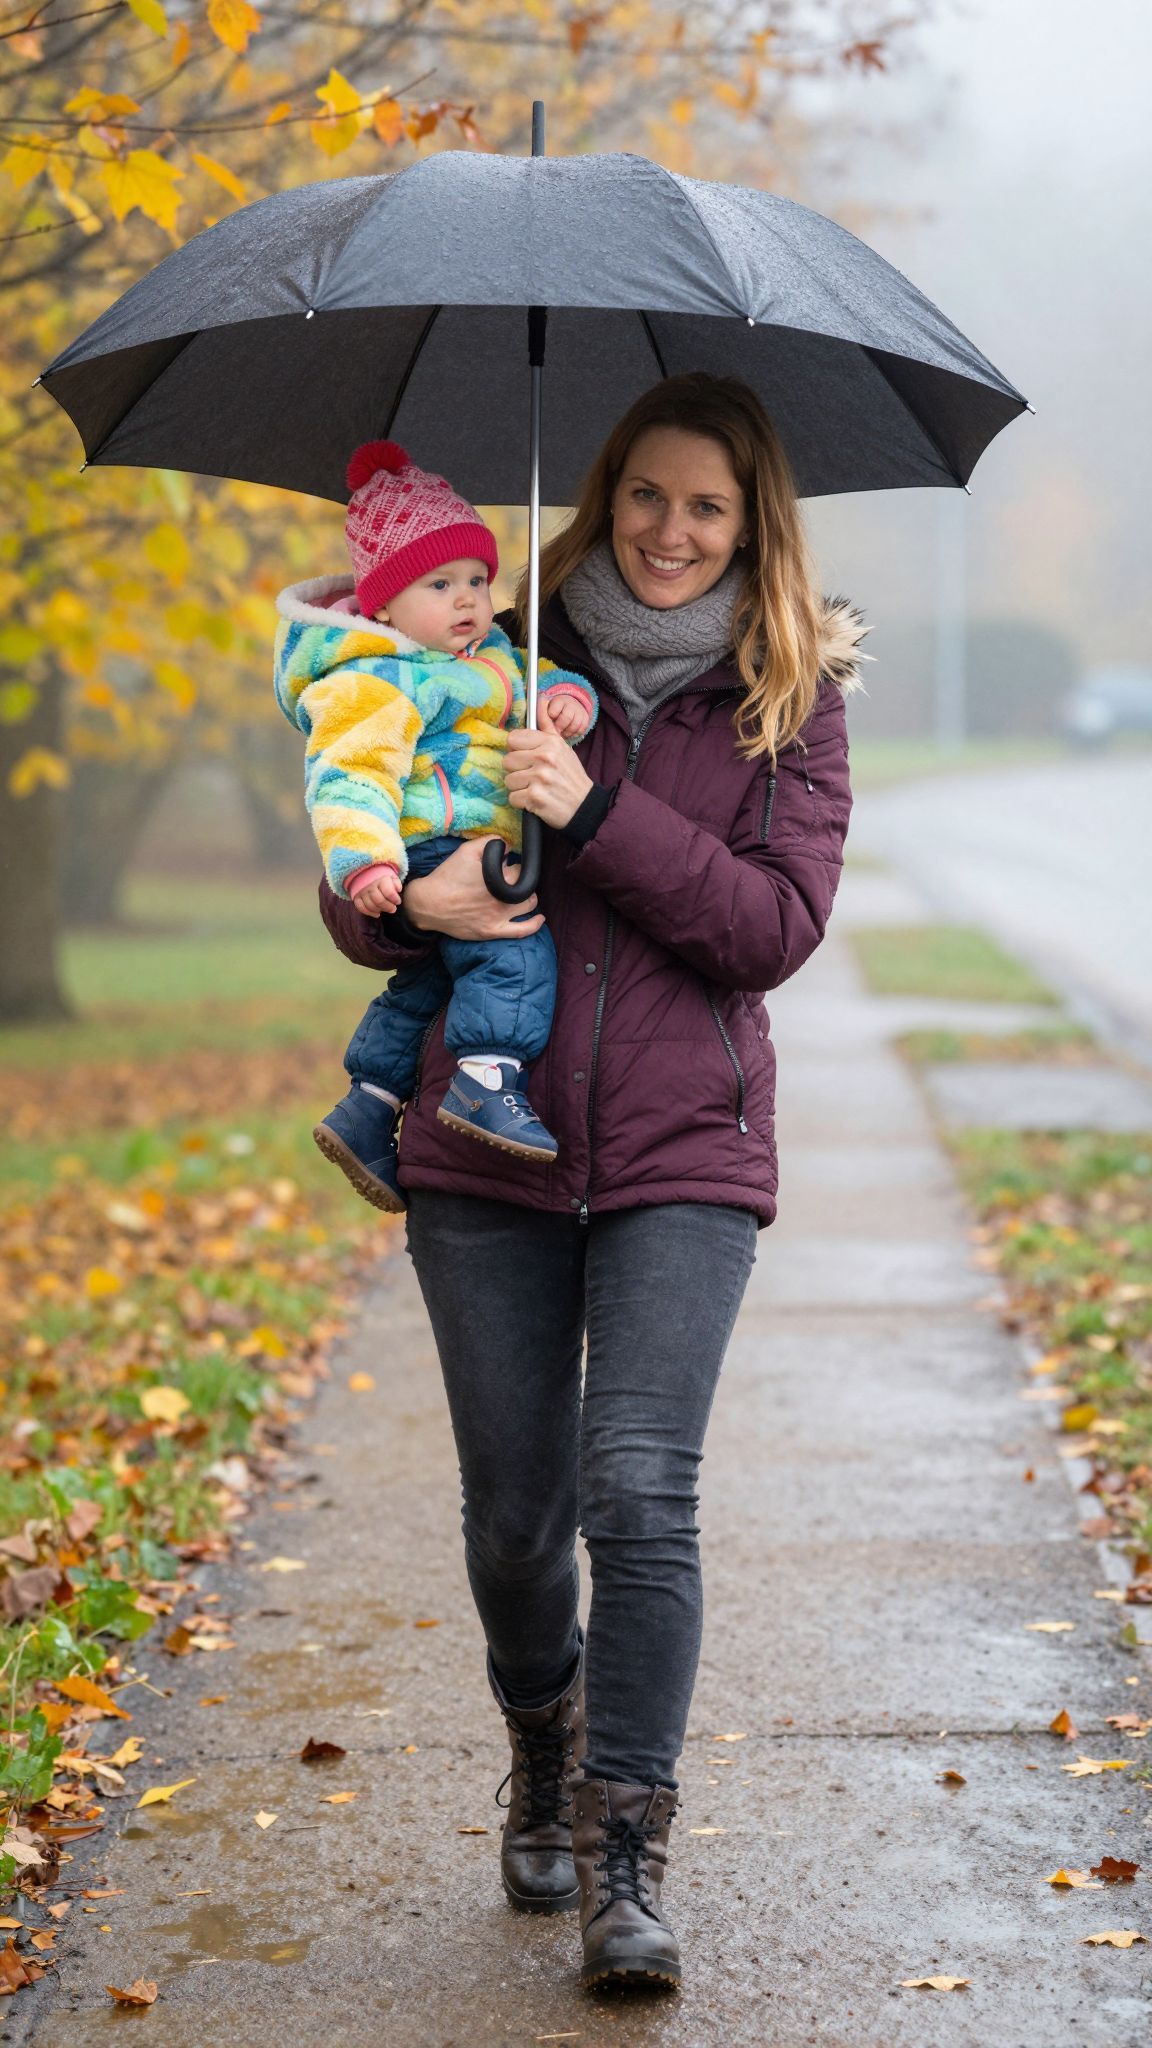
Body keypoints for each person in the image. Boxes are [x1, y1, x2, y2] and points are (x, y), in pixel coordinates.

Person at [317, 374, 867, 1991]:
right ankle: (540, 1736)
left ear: (753, 521)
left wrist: (599, 811)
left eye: (708, 505)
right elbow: (364, 857)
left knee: (639, 1488)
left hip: (683, 1148)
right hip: (487, 1146)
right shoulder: (489, 645)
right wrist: (414, 889)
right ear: (604, 495)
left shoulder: (792, 691)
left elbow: (772, 929)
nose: (673, 531)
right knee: (513, 1519)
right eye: (646, 496)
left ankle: (626, 1848)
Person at [273, 441, 598, 1209]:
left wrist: (566, 702)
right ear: (384, 604)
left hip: (466, 840)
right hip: (426, 845)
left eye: (480, 581)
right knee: (512, 953)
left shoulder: (491, 656)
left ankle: (367, 1107)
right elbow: (348, 776)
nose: (469, 601)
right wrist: (368, 867)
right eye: (441, 584)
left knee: (425, 985)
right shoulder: (373, 679)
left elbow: (542, 678)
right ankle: (488, 1079)